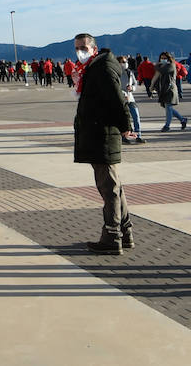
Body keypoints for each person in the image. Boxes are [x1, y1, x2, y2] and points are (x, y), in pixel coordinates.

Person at [72, 33, 136, 254]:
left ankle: (112, 237)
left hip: (103, 135)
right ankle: (124, 232)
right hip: (98, 133)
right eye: (77, 48)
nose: (79, 51)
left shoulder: (102, 68)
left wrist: (126, 124)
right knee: (114, 187)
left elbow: (117, 98)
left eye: (83, 47)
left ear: (94, 48)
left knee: (108, 188)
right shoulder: (92, 68)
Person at [154, 53, 187, 131]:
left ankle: (167, 126)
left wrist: (157, 65)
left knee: (168, 107)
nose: (163, 59)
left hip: (170, 89)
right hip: (164, 89)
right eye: (162, 58)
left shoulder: (171, 66)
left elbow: (160, 70)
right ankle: (182, 119)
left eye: (165, 58)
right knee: (168, 108)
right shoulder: (164, 66)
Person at [119, 58, 146, 144]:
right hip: (121, 99)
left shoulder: (129, 72)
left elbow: (135, 83)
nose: (125, 63)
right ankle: (124, 136)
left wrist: (132, 88)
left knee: (136, 116)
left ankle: (138, 135)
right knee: (124, 119)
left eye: (125, 62)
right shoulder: (116, 73)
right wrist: (123, 93)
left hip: (130, 98)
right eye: (123, 62)